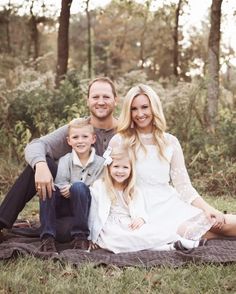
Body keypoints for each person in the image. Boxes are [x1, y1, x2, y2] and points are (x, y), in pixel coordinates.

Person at [108, 84, 236, 249]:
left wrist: (208, 208)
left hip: (169, 204)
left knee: (221, 223)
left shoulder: (170, 141)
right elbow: (108, 181)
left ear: (154, 107)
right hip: (140, 208)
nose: (140, 114)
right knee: (188, 231)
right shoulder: (119, 141)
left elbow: (183, 186)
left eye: (145, 107)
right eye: (134, 109)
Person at [0, 77, 118, 241]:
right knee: (43, 162)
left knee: (64, 233)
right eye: (95, 97)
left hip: (98, 205)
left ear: (115, 100)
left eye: (106, 97)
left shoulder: (124, 132)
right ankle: (2, 221)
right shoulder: (79, 128)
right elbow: (36, 145)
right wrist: (40, 166)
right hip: (68, 197)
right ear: (88, 101)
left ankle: (55, 228)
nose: (100, 102)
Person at [89, 145, 204, 253]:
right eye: (116, 166)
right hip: (110, 227)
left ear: (131, 170)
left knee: (149, 233)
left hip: (129, 222)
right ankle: (169, 247)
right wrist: (91, 237)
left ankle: (180, 241)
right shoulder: (100, 186)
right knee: (118, 239)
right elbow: (92, 212)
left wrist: (140, 218)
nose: (120, 171)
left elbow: (140, 209)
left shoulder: (133, 190)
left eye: (125, 167)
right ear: (109, 168)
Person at [40, 118, 104, 253]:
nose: (80, 141)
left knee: (79, 187)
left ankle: (80, 237)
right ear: (69, 141)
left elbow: (99, 188)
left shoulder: (100, 163)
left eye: (85, 136)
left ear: (93, 139)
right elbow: (60, 183)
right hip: (64, 205)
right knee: (48, 189)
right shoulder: (65, 160)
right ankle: (47, 237)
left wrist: (75, 188)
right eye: (75, 137)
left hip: (84, 207)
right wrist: (68, 188)